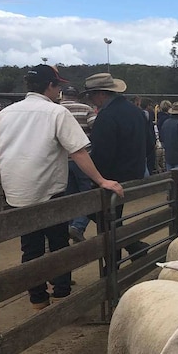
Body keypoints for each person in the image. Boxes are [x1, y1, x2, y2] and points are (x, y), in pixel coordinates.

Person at [0, 65, 123, 310]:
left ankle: (37, 297)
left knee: (30, 246)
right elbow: (78, 151)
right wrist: (101, 180)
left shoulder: (5, 114)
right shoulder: (56, 112)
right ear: (50, 86)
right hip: (48, 189)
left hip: (16, 191)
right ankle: (61, 293)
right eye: (58, 86)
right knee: (58, 243)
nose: (60, 90)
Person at [82, 71, 151, 262]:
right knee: (110, 220)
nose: (91, 99)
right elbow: (150, 142)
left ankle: (114, 266)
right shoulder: (136, 112)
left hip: (111, 177)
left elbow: (102, 153)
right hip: (133, 172)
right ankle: (134, 247)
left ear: (101, 94)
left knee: (105, 221)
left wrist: (96, 179)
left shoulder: (106, 117)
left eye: (91, 95)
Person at [60, 86, 98, 243]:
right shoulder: (85, 109)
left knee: (70, 197)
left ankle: (69, 229)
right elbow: (96, 129)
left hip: (62, 161)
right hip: (83, 159)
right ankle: (78, 226)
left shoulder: (55, 109)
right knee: (88, 195)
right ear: (76, 96)